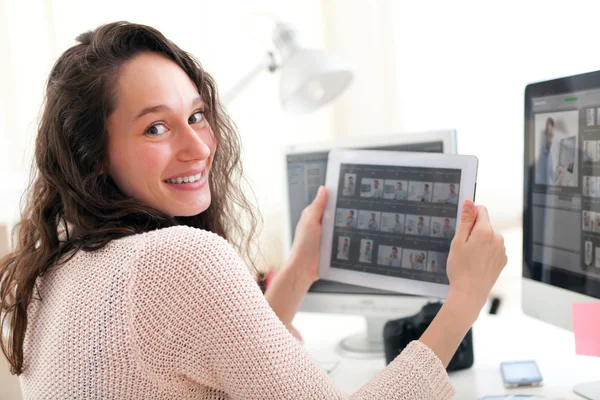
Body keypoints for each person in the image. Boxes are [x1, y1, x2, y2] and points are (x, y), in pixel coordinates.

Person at [0, 22, 508, 399]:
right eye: (156, 127)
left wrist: (299, 270)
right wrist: (463, 299)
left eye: (197, 115)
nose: (198, 147)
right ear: (95, 158)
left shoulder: (51, 271)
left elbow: (208, 354)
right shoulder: (175, 259)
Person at [536, 117, 563, 185]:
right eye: (549, 135)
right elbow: (543, 188)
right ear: (545, 135)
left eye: (552, 136)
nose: (551, 141)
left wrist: (558, 172)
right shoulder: (541, 157)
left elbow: (553, 177)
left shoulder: (549, 153)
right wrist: (557, 185)